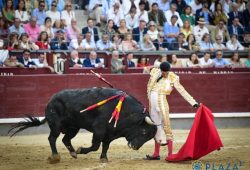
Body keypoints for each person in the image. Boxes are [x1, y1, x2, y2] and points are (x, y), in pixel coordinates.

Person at [145, 61, 199, 160]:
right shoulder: (155, 72)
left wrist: (193, 102)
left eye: (167, 72)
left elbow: (182, 90)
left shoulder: (173, 77)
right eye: (164, 72)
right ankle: (156, 154)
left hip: (162, 103)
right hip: (152, 105)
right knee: (155, 128)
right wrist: (153, 66)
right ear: (160, 70)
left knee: (167, 127)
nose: (165, 74)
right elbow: (146, 69)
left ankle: (170, 154)